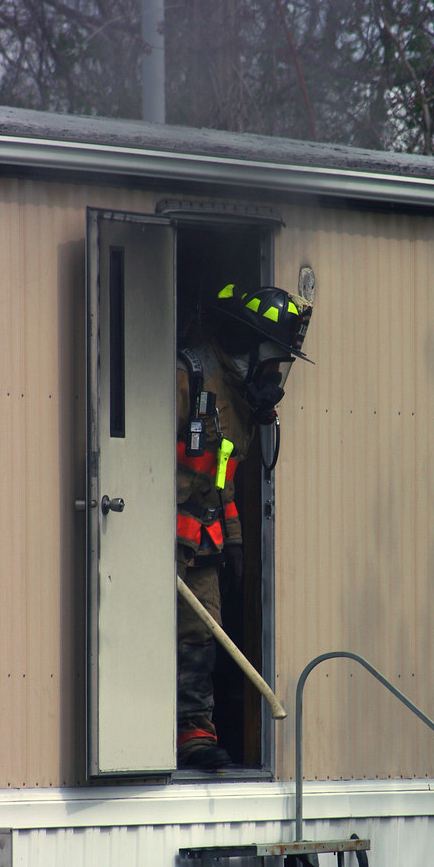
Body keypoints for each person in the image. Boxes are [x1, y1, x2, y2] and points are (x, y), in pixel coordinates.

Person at [176, 283, 313, 770]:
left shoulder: (240, 400)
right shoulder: (187, 376)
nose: (276, 372)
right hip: (161, 544)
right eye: (273, 357)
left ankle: (194, 736)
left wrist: (234, 540)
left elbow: (224, 480)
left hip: (204, 546)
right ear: (245, 343)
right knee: (155, 635)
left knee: (200, 637)